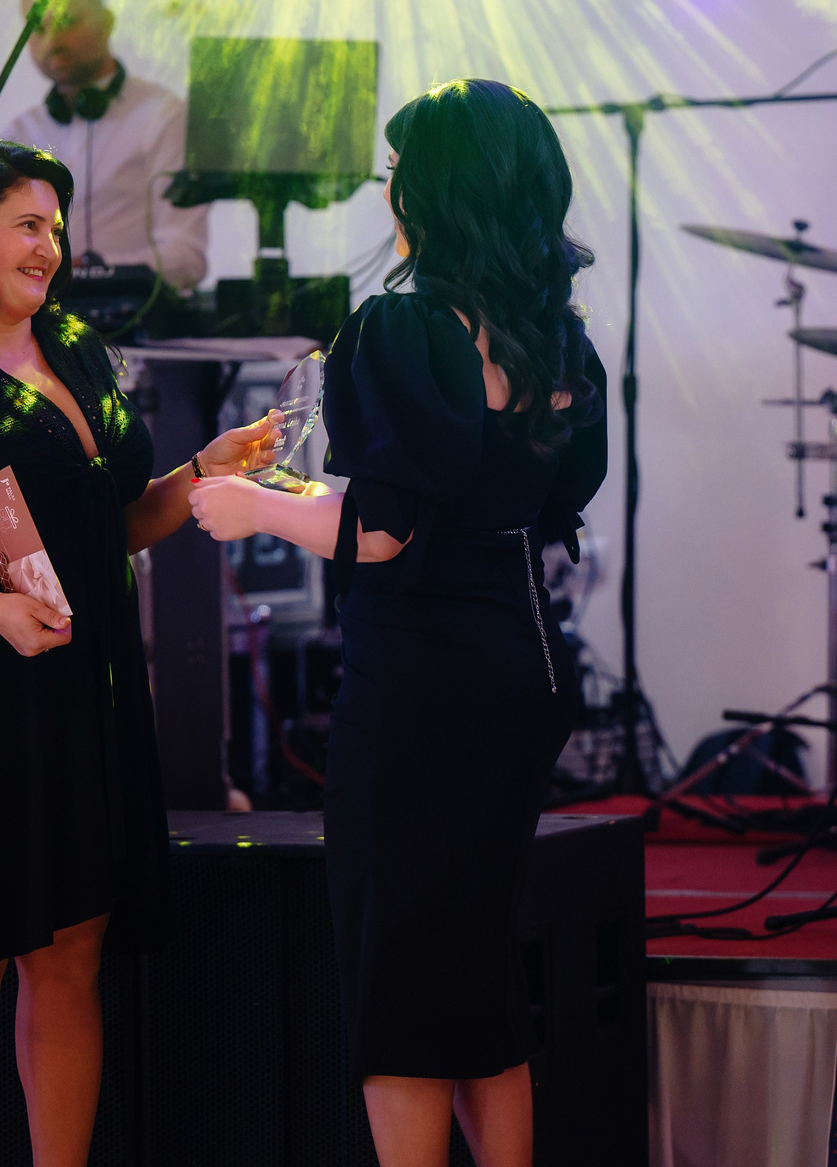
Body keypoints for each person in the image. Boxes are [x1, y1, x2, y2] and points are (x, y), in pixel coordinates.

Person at [0, 138, 275, 1166]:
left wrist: (204, 472)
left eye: (57, 228)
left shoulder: (71, 346)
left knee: (72, 955)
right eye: (28, 224)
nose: (51, 247)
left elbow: (112, 521)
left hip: (84, 691)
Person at [189, 79, 606, 1167]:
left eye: (396, 171)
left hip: (425, 683)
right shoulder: (558, 340)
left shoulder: (404, 325)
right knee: (475, 972)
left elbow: (384, 531)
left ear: (432, 191)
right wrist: (305, 498)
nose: (388, 189)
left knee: (401, 981)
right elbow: (530, 503)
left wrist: (252, 507)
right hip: (525, 666)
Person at [3, 0, 211, 291]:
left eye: (67, 22)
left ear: (107, 23)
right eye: (38, 29)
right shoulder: (19, 133)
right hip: (37, 318)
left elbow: (185, 257)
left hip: (137, 319)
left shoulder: (163, 116)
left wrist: (92, 271)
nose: (53, 42)